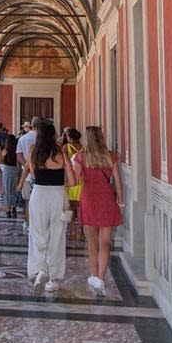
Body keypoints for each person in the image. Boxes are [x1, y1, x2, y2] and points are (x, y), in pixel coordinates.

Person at [71, 126, 123, 297]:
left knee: (91, 241)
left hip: (89, 198)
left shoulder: (81, 157)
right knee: (105, 242)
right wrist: (120, 201)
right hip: (107, 197)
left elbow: (76, 179)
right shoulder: (111, 156)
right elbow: (118, 182)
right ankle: (101, 277)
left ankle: (94, 276)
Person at [28, 124, 75, 296]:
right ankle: (53, 278)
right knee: (57, 236)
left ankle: (40, 270)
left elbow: (32, 174)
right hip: (57, 195)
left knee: (38, 234)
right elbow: (73, 180)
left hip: (39, 194)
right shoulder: (61, 153)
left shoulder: (34, 151)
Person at [16, 116, 43, 228]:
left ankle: (29, 223)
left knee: (27, 202)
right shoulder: (42, 139)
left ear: (32, 125)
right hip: (41, 174)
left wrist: (26, 165)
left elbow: (19, 155)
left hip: (26, 176)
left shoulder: (23, 138)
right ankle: (38, 224)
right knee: (40, 203)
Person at [63, 127, 84, 241]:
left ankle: (71, 231)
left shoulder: (66, 148)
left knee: (70, 207)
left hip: (71, 180)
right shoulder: (83, 148)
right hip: (82, 181)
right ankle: (81, 232)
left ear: (69, 137)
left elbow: (65, 164)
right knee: (81, 208)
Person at [0, 134, 19, 218]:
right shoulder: (16, 151)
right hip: (15, 170)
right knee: (13, 191)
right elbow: (18, 163)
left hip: (7, 170)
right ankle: (14, 208)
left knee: (7, 191)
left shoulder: (5, 151)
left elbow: (1, 161)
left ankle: (8, 211)